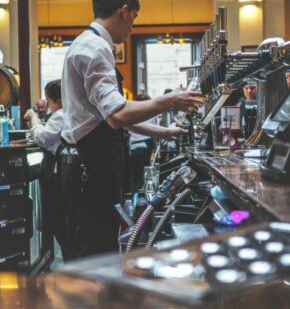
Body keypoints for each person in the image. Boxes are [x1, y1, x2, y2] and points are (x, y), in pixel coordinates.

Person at [58, 0, 203, 260]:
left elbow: (110, 114)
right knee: (95, 255)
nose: (132, 27)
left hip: (88, 166)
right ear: (123, 11)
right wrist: (169, 100)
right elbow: (117, 115)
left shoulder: (89, 43)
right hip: (88, 170)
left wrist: (162, 132)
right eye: (134, 18)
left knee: (96, 249)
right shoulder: (95, 47)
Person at [23, 79, 68, 259]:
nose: (47, 104)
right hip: (61, 170)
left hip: (56, 172)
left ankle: (63, 259)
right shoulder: (71, 113)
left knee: (56, 217)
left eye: (48, 100)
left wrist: (34, 120)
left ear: (55, 100)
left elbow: (43, 138)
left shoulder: (60, 115)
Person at [129, 93, 157, 192]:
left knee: (134, 176)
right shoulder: (150, 114)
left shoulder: (131, 114)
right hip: (146, 145)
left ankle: (135, 196)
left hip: (132, 147)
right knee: (145, 175)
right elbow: (154, 131)